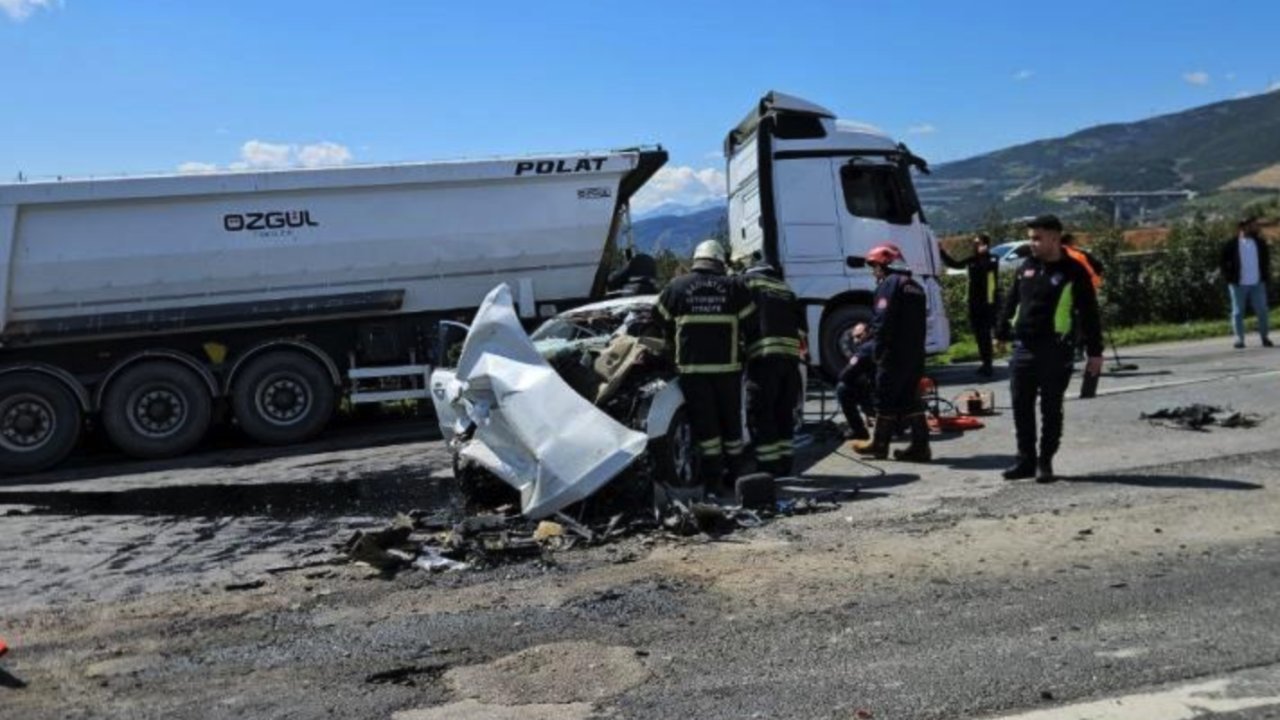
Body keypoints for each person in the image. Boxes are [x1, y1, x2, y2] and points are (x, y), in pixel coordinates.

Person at [996, 215, 1104, 483]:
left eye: (1037, 238)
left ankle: (1045, 461)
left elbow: (1090, 314)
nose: (1031, 243)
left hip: (1055, 350)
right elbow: (1012, 301)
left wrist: (1095, 353)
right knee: (1021, 407)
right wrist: (999, 331)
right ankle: (1025, 460)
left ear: (1055, 238)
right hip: (1023, 348)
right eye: (1031, 237)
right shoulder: (1026, 267)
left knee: (1051, 409)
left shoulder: (1073, 272)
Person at [656, 240, 757, 495]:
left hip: (693, 372)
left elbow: (657, 319)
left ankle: (712, 483)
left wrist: (672, 340)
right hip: (728, 370)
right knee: (731, 425)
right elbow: (753, 326)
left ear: (697, 260)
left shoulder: (677, 286)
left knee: (706, 427)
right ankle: (735, 477)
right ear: (720, 262)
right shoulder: (734, 286)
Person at [852, 243, 931, 462]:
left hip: (893, 353)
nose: (873, 271)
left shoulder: (889, 284)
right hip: (914, 354)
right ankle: (920, 447)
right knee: (910, 399)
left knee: (884, 397)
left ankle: (878, 445)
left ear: (884, 264)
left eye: (874, 266)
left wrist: (877, 351)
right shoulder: (915, 286)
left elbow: (883, 321)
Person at [741, 260, 805, 476]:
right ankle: (786, 463)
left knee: (761, 411)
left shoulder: (747, 283)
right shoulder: (785, 289)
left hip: (764, 359)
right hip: (791, 361)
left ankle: (768, 467)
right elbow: (802, 328)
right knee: (784, 412)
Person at [939, 234, 1001, 377]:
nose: (976, 246)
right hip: (974, 303)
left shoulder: (992, 259)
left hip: (988, 303)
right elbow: (954, 264)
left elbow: (989, 271)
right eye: (975, 244)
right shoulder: (972, 260)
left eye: (979, 243)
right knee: (979, 335)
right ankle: (985, 362)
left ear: (986, 244)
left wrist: (984, 254)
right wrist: (941, 252)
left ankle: (988, 364)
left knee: (985, 335)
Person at [1219, 216, 1272, 349]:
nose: (1256, 228)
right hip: (1238, 284)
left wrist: (1265, 276)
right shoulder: (1231, 244)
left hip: (1257, 283)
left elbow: (1266, 261)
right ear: (1243, 227)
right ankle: (1239, 339)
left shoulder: (1260, 243)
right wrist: (1229, 278)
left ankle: (1265, 337)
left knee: (1262, 310)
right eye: (1253, 225)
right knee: (1238, 312)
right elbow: (1223, 263)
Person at [835, 322, 876, 441]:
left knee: (842, 389)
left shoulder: (867, 349)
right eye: (854, 337)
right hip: (898, 396)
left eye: (859, 336)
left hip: (881, 398)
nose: (856, 341)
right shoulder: (881, 343)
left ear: (868, 333)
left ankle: (859, 431)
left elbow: (846, 374)